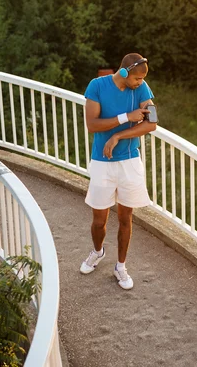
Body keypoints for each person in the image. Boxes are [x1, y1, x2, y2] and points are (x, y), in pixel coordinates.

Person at [80, 53, 156, 290]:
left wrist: (118, 135)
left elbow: (152, 122)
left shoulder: (142, 88)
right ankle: (97, 251)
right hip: (102, 162)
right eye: (136, 78)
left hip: (130, 162)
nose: (140, 82)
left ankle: (120, 267)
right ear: (124, 73)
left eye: (143, 78)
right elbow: (92, 125)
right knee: (99, 220)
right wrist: (126, 118)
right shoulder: (97, 86)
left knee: (126, 217)